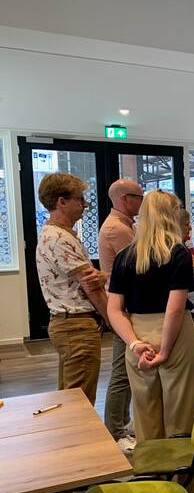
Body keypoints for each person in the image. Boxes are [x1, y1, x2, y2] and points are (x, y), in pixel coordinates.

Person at [107, 190, 194, 444]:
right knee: (181, 416)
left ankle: (152, 477)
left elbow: (114, 310)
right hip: (175, 336)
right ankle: (182, 481)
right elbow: (174, 309)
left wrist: (135, 344)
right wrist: (165, 350)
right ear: (171, 214)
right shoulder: (178, 253)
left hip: (136, 333)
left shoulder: (124, 257)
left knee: (145, 414)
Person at [35, 173, 109, 404]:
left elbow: (92, 279)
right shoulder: (59, 239)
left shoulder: (58, 235)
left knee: (69, 396)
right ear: (62, 201)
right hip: (76, 327)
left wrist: (102, 275)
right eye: (80, 199)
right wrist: (114, 320)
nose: (84, 205)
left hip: (71, 326)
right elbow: (91, 286)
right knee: (80, 402)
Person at [98, 178, 143, 452]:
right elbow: (141, 264)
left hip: (127, 306)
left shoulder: (127, 225)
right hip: (123, 309)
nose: (142, 201)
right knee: (121, 373)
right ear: (126, 199)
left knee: (124, 370)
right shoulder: (117, 229)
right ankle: (115, 432)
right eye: (139, 196)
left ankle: (121, 426)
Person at [179, 208, 194, 315]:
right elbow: (179, 277)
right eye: (186, 224)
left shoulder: (186, 243)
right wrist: (193, 268)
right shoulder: (175, 250)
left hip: (190, 303)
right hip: (183, 305)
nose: (190, 227)